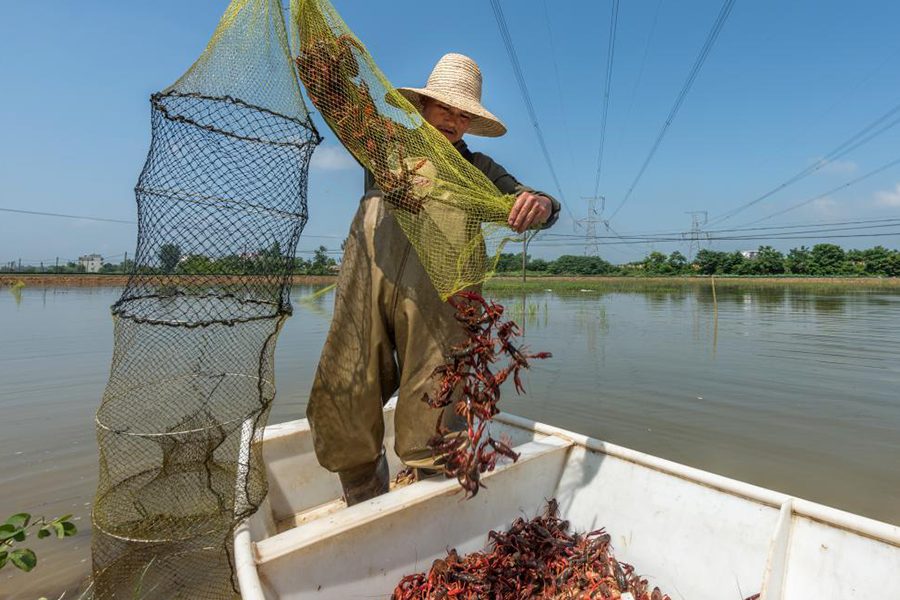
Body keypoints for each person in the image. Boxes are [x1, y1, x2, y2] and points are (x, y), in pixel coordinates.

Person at [306, 53, 561, 505]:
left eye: (464, 114)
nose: (453, 120)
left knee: (437, 407)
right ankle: (364, 498)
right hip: (368, 289)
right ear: (422, 107)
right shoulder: (384, 146)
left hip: (441, 305)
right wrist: (325, 77)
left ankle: (427, 507)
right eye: (444, 108)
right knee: (345, 391)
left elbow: (532, 200)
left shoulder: (480, 169)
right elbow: (340, 109)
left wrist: (541, 204)